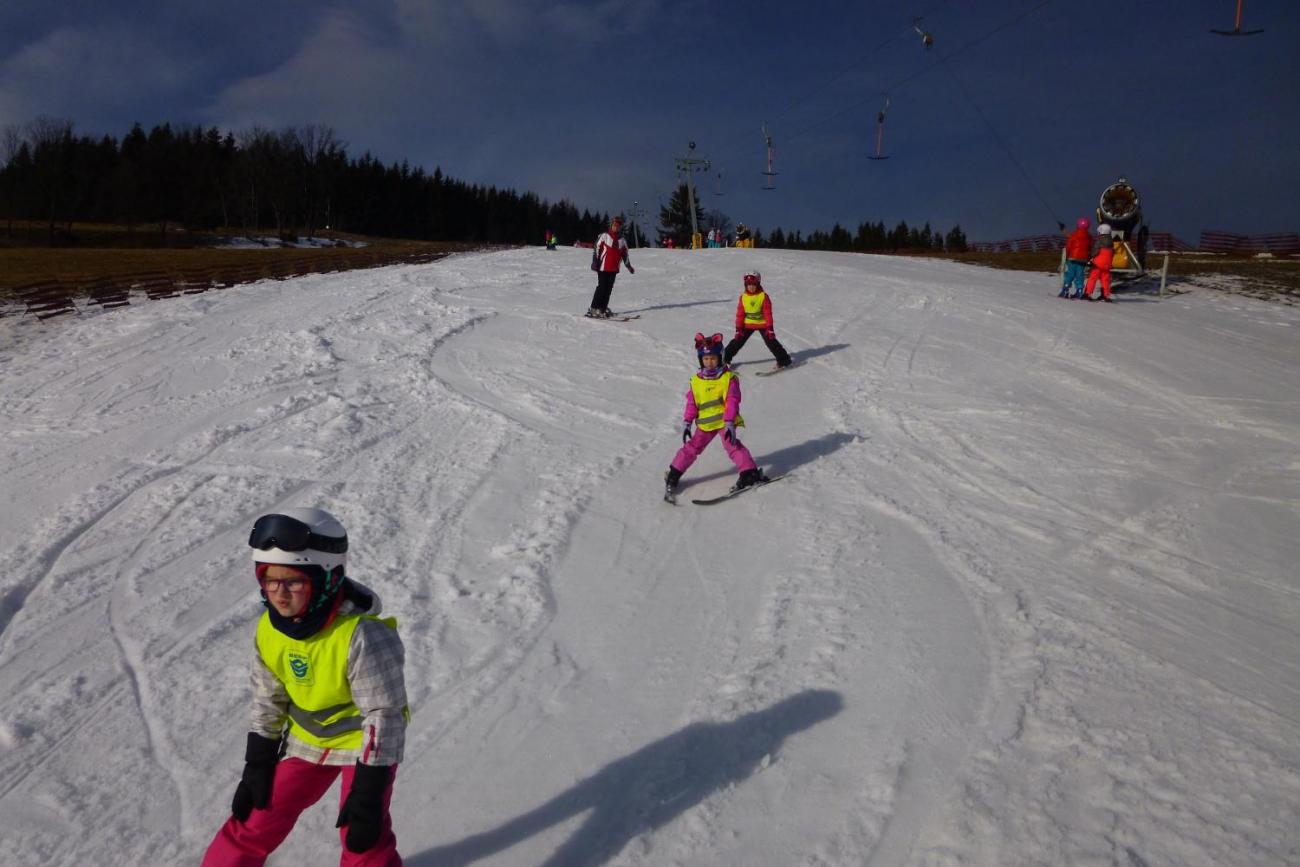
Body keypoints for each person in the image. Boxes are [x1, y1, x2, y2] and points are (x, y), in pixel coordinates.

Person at [202, 507, 408, 867]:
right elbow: (269, 697)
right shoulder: (270, 629)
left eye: (294, 582)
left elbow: (384, 714)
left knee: (362, 835)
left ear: (328, 579)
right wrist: (259, 760)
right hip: (307, 741)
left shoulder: (363, 636)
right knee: (255, 816)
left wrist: (369, 789)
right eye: (270, 581)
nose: (280, 595)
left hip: (364, 748)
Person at [664, 333, 768, 499]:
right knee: (691, 448)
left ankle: (749, 473)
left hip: (724, 422)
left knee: (733, 447)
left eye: (713, 358)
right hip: (705, 425)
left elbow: (733, 401)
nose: (709, 362)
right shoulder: (696, 381)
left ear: (720, 358)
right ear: (700, 360)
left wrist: (729, 422)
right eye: (705, 359)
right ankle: (674, 473)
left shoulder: (728, 378)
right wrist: (687, 421)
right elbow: (692, 403)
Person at [723, 271, 793, 369]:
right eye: (748, 285)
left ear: (758, 284)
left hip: (762, 324)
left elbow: (768, 314)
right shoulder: (743, 297)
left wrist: (770, 328)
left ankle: (784, 360)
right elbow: (740, 315)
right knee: (737, 342)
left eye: (753, 285)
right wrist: (739, 329)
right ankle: (724, 360)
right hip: (747, 324)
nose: (751, 287)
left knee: (771, 342)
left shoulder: (763, 296)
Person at [587, 217, 634, 318]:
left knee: (608, 289)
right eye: (614, 226)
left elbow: (625, 255)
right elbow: (596, 247)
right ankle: (594, 308)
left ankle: (603, 308)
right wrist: (595, 261)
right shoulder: (604, 236)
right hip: (603, 267)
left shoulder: (622, 240)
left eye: (618, 226)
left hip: (614, 269)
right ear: (611, 225)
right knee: (602, 287)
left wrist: (629, 266)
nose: (616, 228)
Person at [1061, 217, 1091, 298]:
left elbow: (1069, 246)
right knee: (1080, 275)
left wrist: (1067, 256)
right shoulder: (1089, 237)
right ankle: (1080, 290)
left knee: (1070, 274)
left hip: (1072, 258)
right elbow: (1089, 248)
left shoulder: (1074, 235)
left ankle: (1065, 290)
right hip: (1083, 260)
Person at [1084, 223, 1115, 302]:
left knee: (1092, 278)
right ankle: (1105, 295)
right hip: (1107, 264)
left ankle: (1088, 293)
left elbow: (1095, 251)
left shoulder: (1099, 241)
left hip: (1097, 264)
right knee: (1105, 280)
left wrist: (1090, 257)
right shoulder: (1111, 242)